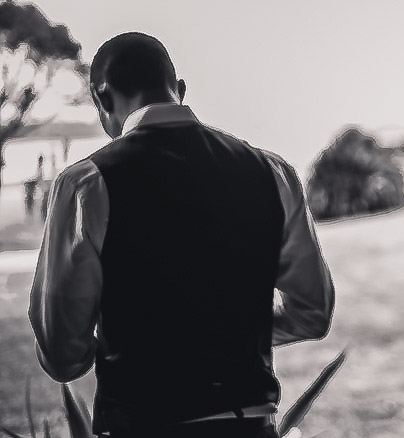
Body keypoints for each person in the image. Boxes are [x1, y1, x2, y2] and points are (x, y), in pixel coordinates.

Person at [30, 32, 335, 438]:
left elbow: (63, 354)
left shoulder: (86, 185)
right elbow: (312, 313)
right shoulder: (271, 172)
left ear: (102, 100)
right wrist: (233, 331)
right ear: (181, 90)